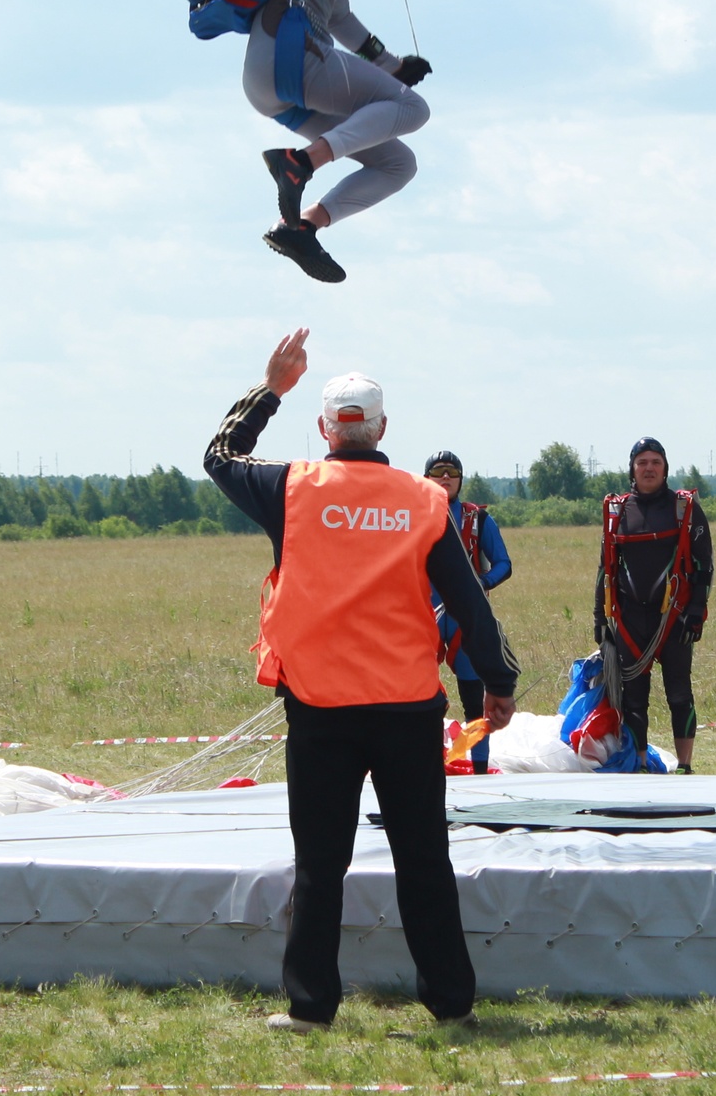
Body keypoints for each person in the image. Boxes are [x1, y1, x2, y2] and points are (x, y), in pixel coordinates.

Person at [206, 330, 517, 1031]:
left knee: (319, 864)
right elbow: (470, 601)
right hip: (407, 707)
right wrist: (499, 681)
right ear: (383, 429)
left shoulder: (291, 487)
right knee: (423, 860)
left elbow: (218, 456)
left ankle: (312, 1007)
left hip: (320, 709)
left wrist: (270, 388)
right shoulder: (422, 500)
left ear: (323, 428)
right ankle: (451, 1004)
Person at [249, 0, 434, 285]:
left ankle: (300, 227)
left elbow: (338, 16)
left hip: (289, 81)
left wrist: (390, 65)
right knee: (414, 109)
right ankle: (300, 163)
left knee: (398, 164)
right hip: (285, 52)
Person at [592, 438, 713, 774]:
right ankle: (640, 762)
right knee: (634, 698)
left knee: (679, 694)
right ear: (632, 468)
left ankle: (685, 765)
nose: (649, 468)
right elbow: (605, 569)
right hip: (630, 620)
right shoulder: (617, 512)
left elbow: (704, 565)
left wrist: (695, 612)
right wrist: (600, 618)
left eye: (655, 462)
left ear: (665, 468)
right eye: (642, 462)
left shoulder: (684, 508)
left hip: (675, 618)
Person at [422, 451, 513, 773]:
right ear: (427, 478)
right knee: (421, 702)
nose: (445, 478)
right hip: (423, 621)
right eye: (438, 472)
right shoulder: (411, 516)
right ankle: (426, 766)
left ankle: (480, 771)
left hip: (466, 624)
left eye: (452, 472)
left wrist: (480, 584)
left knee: (475, 702)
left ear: (461, 479)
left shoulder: (478, 520)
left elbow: (503, 564)